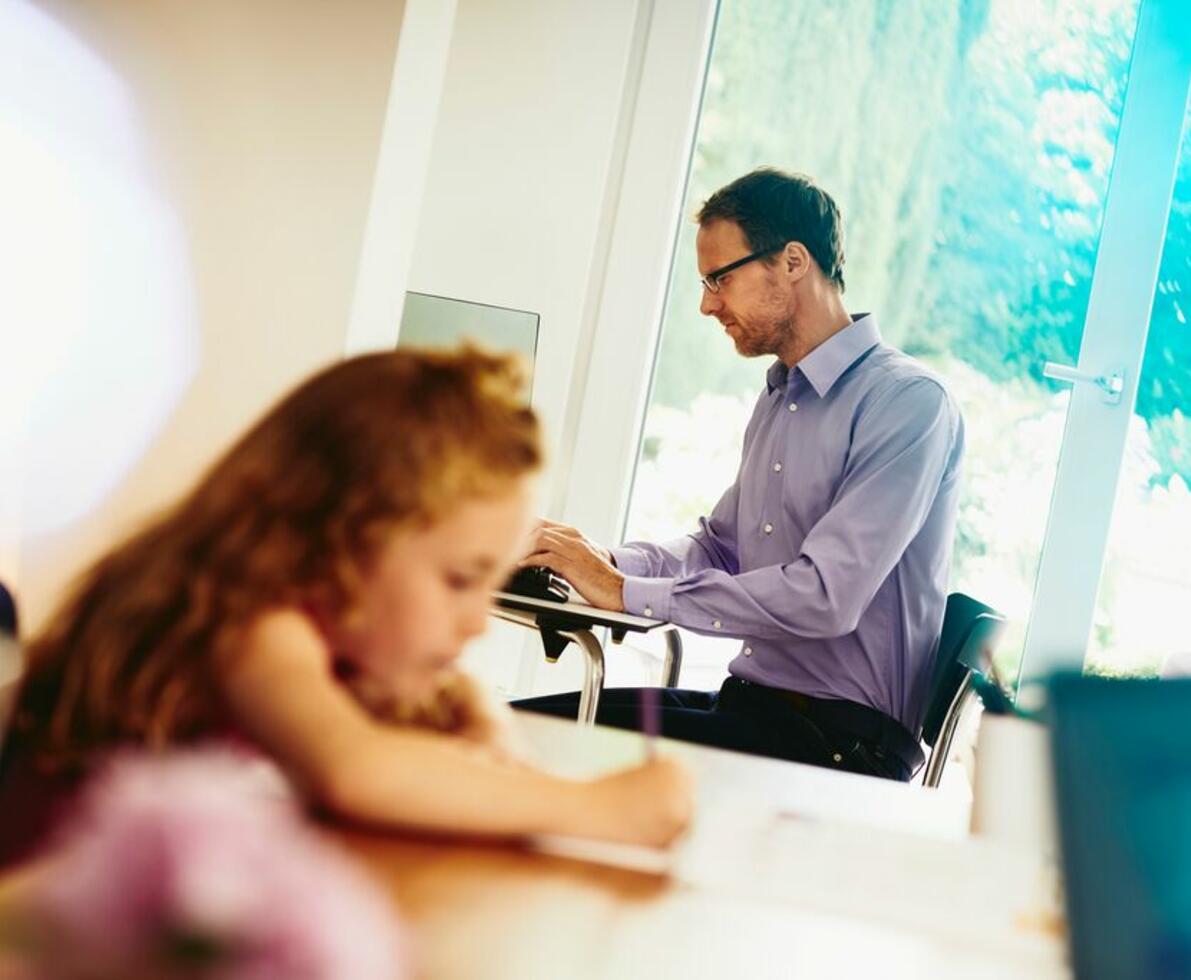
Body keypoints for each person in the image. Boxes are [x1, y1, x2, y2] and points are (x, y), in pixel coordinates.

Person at [0, 347, 691, 869]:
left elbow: (451, 694)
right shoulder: (245, 621)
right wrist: (597, 808)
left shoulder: (314, 629)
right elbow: (352, 769)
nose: (478, 620)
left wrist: (481, 720)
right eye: (458, 579)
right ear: (341, 539)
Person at [516, 168, 965, 781]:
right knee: (512, 725)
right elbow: (720, 547)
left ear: (793, 262)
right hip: (757, 709)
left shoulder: (907, 403)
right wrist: (598, 563)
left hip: (835, 746)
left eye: (719, 279)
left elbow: (825, 598)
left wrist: (626, 593)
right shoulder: (785, 394)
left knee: (522, 748)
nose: (707, 304)